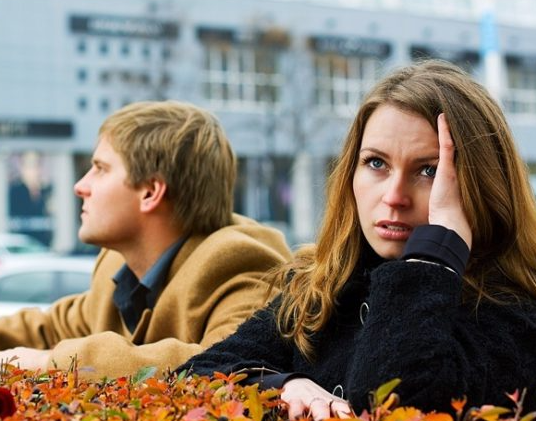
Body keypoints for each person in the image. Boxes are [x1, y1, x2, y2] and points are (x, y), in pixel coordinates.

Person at [178, 59, 536, 417]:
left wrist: (436, 252)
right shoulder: (321, 287)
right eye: (376, 163)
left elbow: (392, 401)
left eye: (429, 170)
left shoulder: (514, 313)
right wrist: (283, 384)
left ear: (482, 185)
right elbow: (193, 377)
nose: (394, 196)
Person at [0, 100, 292, 378]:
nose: (80, 186)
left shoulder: (242, 263)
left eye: (100, 169)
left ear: (151, 192)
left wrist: (48, 362)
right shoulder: (116, 263)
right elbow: (51, 327)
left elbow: (225, 363)